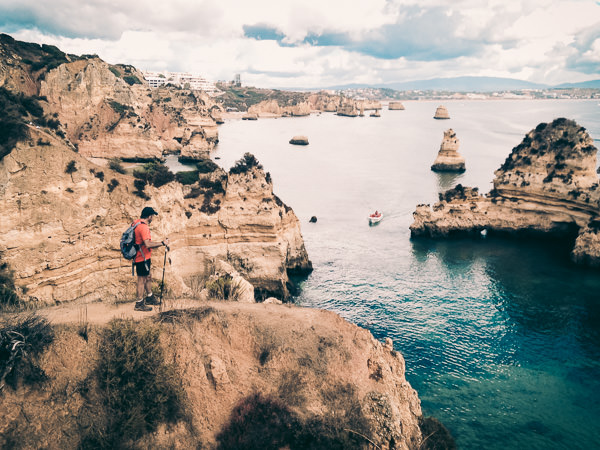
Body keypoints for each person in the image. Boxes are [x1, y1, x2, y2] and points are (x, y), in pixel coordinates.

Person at [132, 206, 169, 311]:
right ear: (149, 216)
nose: (152, 218)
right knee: (141, 280)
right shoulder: (143, 227)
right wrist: (162, 243)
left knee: (148, 277)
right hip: (141, 258)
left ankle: (149, 297)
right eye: (152, 216)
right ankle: (139, 304)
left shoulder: (136, 223)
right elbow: (147, 244)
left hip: (143, 257)